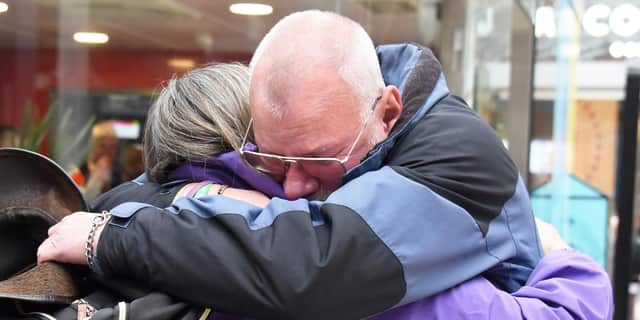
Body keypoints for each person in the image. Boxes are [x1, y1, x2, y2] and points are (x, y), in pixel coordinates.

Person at [39, 11, 612, 319]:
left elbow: (316, 257)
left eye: (318, 160)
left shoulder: (120, 226)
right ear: (245, 147)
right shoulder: (366, 290)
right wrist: (568, 265)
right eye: (274, 157)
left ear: (389, 111)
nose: (294, 186)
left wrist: (109, 231)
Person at [70, 121, 122, 201]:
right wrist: (97, 179)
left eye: (112, 147)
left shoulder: (120, 172)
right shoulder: (79, 171)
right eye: (102, 146)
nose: (107, 151)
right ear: (93, 146)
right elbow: (84, 200)